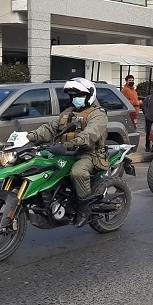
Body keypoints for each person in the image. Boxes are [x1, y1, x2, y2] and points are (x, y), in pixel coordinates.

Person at [25, 77, 109, 228]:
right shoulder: (67, 113)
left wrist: (70, 144)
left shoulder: (98, 114)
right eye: (73, 96)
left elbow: (90, 134)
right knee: (43, 166)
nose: (76, 99)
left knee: (77, 172)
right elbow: (49, 128)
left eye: (80, 95)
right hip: (67, 152)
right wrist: (28, 137)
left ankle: (84, 207)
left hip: (89, 154)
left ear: (90, 95)